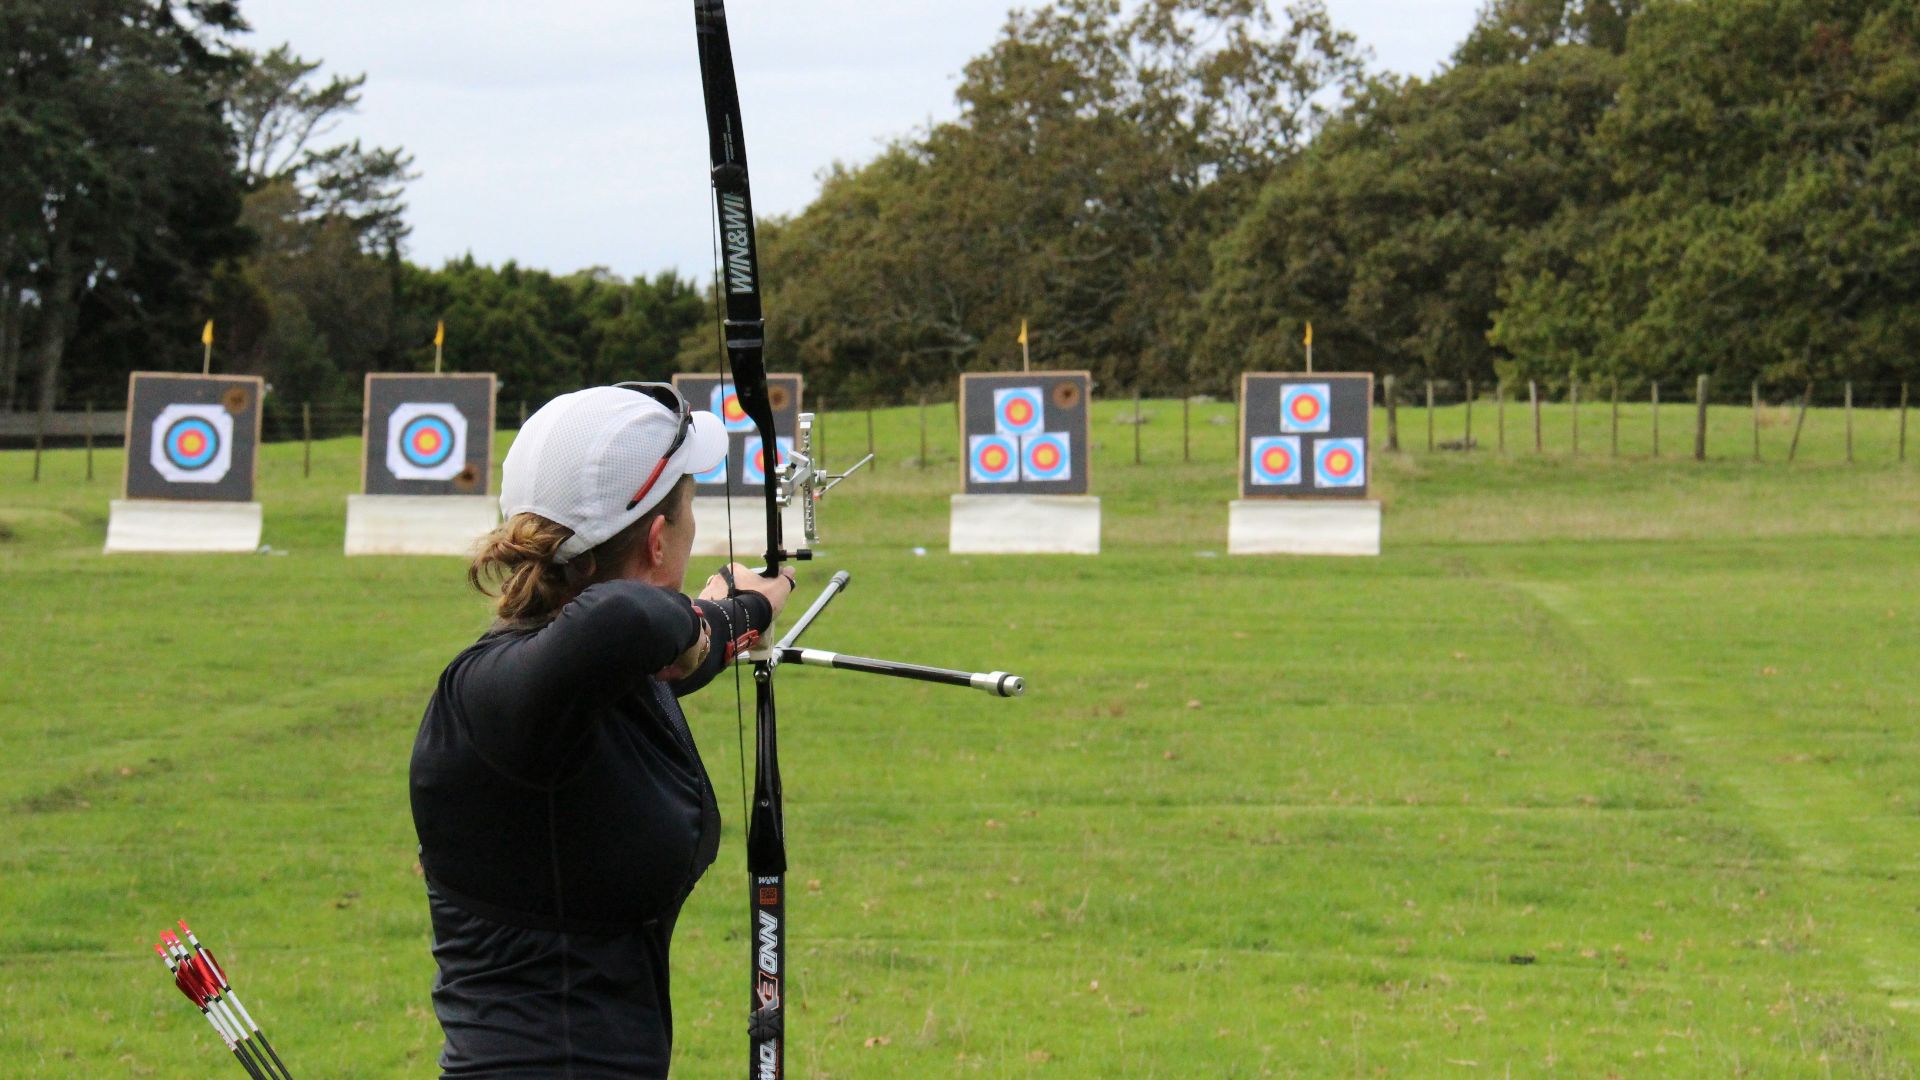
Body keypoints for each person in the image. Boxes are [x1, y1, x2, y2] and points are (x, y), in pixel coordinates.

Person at [409, 383, 795, 1077]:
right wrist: (723, 619)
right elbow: (626, 623)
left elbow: (649, 661)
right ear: (656, 540)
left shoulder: (576, 684)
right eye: (688, 512)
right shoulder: (498, 693)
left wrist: (732, 615)